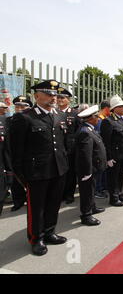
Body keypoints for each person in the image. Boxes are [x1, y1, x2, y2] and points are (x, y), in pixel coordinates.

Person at [10, 80, 69, 256]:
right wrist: (21, 176)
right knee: (37, 208)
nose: (53, 97)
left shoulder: (59, 115)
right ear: (36, 96)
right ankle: (36, 238)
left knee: (53, 203)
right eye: (49, 94)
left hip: (58, 169)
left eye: (55, 94)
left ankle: (50, 232)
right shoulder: (25, 117)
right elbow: (16, 151)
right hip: (36, 172)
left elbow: (62, 144)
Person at [75, 105, 106, 226]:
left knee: (91, 190)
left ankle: (92, 207)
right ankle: (86, 215)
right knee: (87, 192)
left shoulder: (90, 129)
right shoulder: (85, 132)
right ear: (90, 118)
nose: (98, 118)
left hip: (94, 167)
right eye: (96, 116)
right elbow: (85, 155)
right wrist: (87, 172)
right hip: (88, 169)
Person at [101, 95, 123, 207]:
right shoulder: (108, 121)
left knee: (121, 176)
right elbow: (106, 141)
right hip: (115, 156)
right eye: (120, 106)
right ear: (114, 109)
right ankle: (114, 198)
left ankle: (119, 193)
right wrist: (108, 157)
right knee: (113, 178)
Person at [6, 96, 33, 212]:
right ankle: (18, 201)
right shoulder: (8, 120)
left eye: (23, 106)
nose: (19, 108)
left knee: (29, 179)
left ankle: (31, 199)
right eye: (17, 106)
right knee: (15, 180)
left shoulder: (32, 119)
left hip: (28, 154)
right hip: (12, 153)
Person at [57, 87, 80, 204]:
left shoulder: (75, 114)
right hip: (58, 149)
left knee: (71, 173)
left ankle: (69, 194)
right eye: (58, 97)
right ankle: (60, 194)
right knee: (60, 173)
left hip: (71, 149)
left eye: (62, 98)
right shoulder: (54, 113)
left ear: (68, 100)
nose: (59, 100)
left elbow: (79, 132)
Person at [93, 100, 111, 199]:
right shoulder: (100, 120)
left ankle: (102, 187)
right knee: (99, 171)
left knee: (103, 170)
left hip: (103, 149)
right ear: (106, 109)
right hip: (99, 150)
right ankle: (98, 190)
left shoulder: (104, 118)